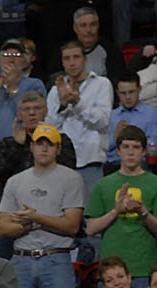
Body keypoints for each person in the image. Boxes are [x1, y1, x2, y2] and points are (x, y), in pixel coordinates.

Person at [0, 124, 86, 288]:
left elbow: (72, 225)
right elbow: (3, 228)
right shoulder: (15, 181)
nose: (44, 149)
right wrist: (30, 224)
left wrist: (36, 218)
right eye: (39, 143)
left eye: (50, 144)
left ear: (58, 149)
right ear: (31, 147)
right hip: (21, 260)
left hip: (56, 259)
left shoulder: (71, 179)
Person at [85, 126, 157, 286]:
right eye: (126, 147)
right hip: (110, 272)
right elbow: (91, 229)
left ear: (144, 151)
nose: (131, 152)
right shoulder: (103, 185)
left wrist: (142, 210)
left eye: (136, 147)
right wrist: (116, 211)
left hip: (144, 268)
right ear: (118, 151)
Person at [47, 40, 113, 190]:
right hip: (62, 162)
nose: (72, 63)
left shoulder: (102, 84)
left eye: (76, 57)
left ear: (85, 59)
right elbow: (50, 128)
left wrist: (78, 103)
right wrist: (63, 105)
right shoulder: (55, 90)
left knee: (90, 212)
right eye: (67, 58)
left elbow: (103, 121)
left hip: (91, 160)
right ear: (62, 63)